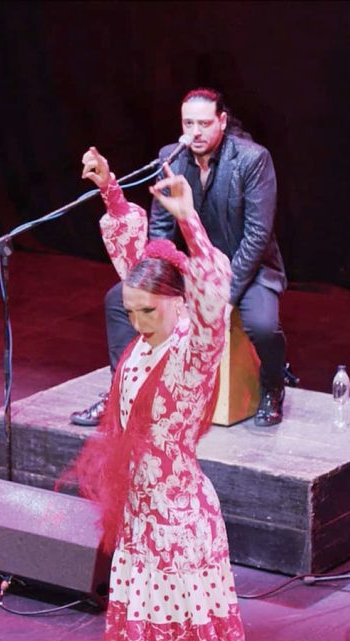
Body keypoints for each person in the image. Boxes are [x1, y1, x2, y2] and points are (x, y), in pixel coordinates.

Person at [65, 147, 284, 641]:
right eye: (131, 311)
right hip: (142, 512)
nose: (137, 322)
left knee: (184, 634)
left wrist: (188, 218)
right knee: (141, 624)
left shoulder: (194, 348)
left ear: (177, 304)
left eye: (147, 312)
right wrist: (111, 189)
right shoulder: (150, 329)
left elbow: (212, 284)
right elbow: (134, 257)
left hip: (178, 519)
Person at [71, 88, 289, 428]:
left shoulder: (252, 159)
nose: (196, 132)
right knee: (119, 299)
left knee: (261, 325)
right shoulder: (171, 157)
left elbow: (257, 236)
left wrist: (224, 295)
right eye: (189, 123)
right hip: (192, 267)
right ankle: (120, 391)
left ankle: (273, 385)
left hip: (248, 269)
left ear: (222, 121)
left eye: (204, 123)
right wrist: (153, 281)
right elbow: (160, 228)